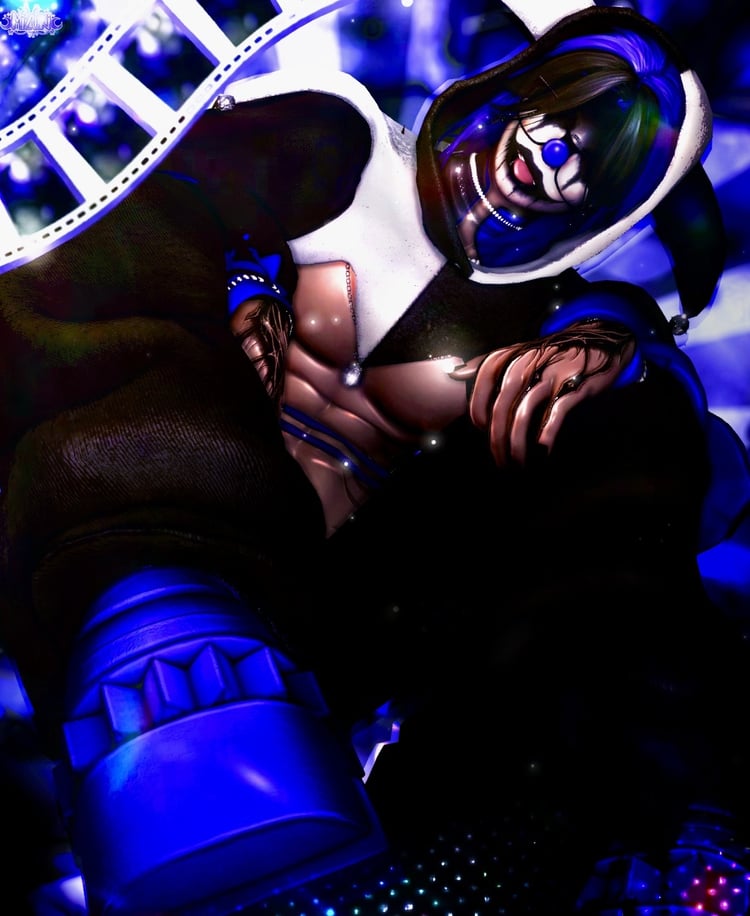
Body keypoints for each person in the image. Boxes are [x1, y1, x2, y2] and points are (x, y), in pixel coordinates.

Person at [0, 1, 748, 912]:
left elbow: (656, 450)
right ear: (511, 83)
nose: (555, 156)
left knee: (625, 447)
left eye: (600, 161)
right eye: (562, 111)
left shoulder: (549, 327)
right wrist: (240, 283)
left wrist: (619, 342)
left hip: (334, 621)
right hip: (113, 519)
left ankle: (573, 799)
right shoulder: (333, 138)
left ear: (608, 214)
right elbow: (159, 197)